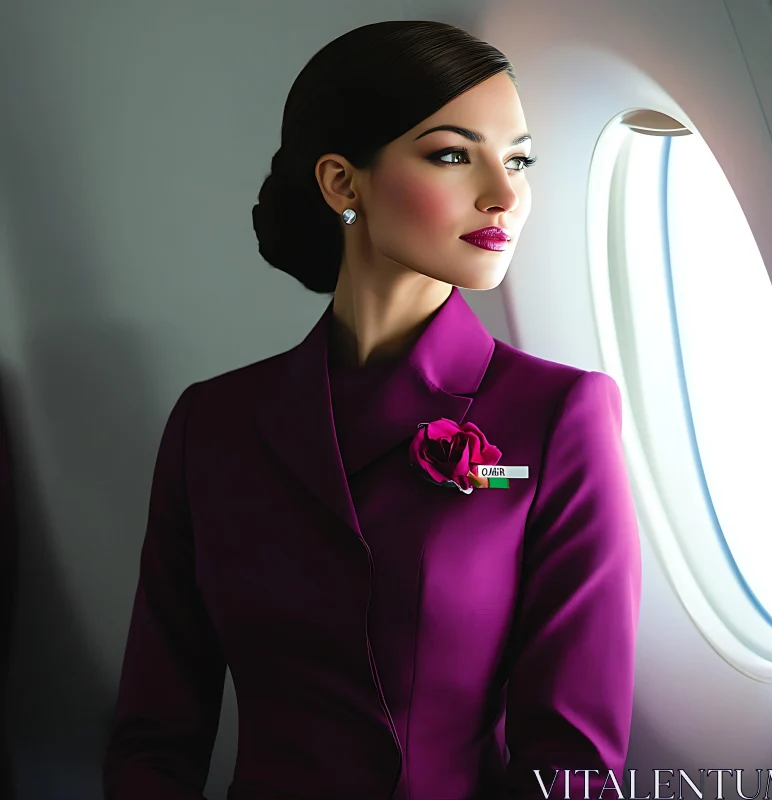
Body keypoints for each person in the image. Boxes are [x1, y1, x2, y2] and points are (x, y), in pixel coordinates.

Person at [102, 20, 642, 800]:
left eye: (518, 158)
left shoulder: (561, 416)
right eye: (454, 154)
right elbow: (153, 741)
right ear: (341, 184)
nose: (506, 193)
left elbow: (573, 767)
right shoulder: (210, 427)